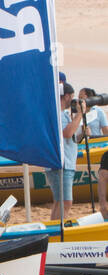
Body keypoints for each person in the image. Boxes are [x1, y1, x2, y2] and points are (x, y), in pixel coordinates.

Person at [51, 83, 84, 223]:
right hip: (62, 163)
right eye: (72, 96)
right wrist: (80, 114)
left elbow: (75, 137)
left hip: (63, 162)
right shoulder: (59, 113)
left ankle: (54, 227)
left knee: (59, 201)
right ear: (66, 96)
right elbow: (67, 133)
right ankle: (58, 229)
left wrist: (79, 125)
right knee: (66, 202)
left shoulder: (61, 113)